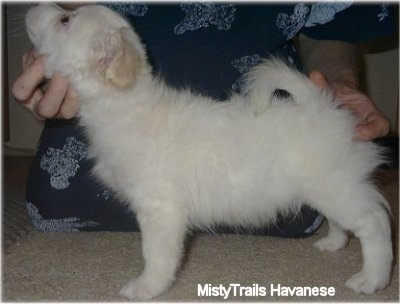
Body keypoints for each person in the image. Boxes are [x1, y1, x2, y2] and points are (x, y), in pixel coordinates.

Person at [12, 3, 395, 235]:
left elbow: (330, 26)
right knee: (59, 201)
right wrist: (56, 66)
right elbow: (81, 21)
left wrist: (338, 83)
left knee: (295, 201)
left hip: (261, 127)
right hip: (120, 97)